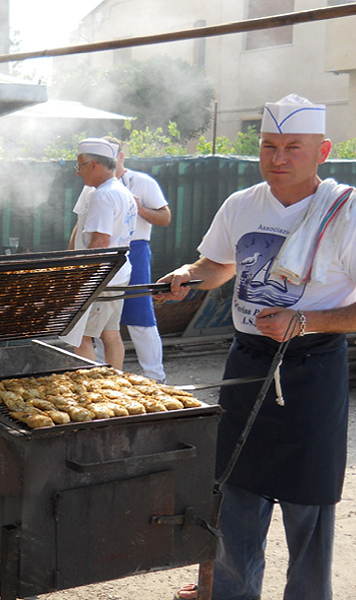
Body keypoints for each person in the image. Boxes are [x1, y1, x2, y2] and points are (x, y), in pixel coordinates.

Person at [160, 94, 356, 600]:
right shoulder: (241, 204)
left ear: (323, 151)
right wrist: (189, 274)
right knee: (234, 485)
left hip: (313, 368)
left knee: (308, 500)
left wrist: (307, 320)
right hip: (246, 364)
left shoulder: (346, 212)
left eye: (294, 147)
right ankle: (229, 591)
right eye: (269, 146)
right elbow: (219, 265)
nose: (278, 157)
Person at [59, 138, 137, 369]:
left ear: (94, 164)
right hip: (118, 274)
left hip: (100, 279)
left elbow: (100, 242)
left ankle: (91, 392)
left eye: (80, 166)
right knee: (110, 334)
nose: (78, 173)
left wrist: (78, 278)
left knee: (81, 336)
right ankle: (115, 385)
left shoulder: (103, 196)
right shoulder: (122, 191)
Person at [108, 136, 171, 382]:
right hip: (106, 252)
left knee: (140, 314)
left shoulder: (142, 182)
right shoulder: (94, 185)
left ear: (121, 156)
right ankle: (104, 375)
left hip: (135, 249)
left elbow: (165, 218)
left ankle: (156, 378)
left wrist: (139, 209)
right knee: (102, 314)